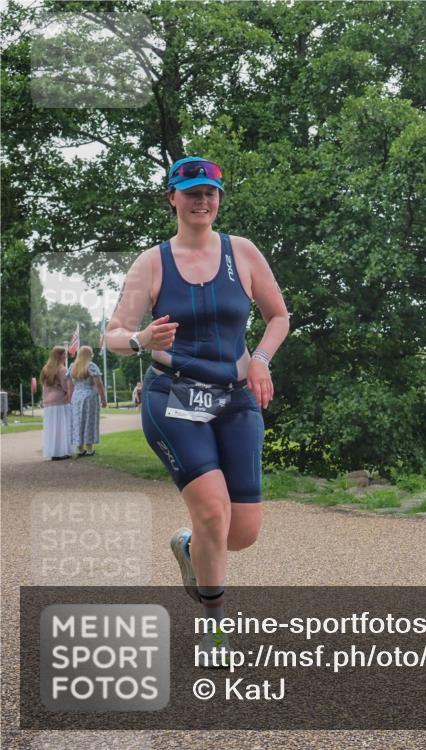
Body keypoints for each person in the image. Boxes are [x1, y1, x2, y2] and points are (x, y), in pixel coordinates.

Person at [104, 156, 289, 662]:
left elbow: (278, 316)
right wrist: (140, 339)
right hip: (174, 396)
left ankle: (190, 547)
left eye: (210, 192)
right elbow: (113, 335)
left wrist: (261, 360)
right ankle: (215, 631)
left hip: (236, 397)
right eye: (191, 192)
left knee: (241, 533)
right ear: (172, 198)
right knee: (212, 510)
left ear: (219, 199)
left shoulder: (242, 253)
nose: (201, 200)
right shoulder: (151, 262)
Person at [69, 345, 106, 457]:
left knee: (78, 422)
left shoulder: (73, 367)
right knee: (89, 421)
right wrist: (103, 399)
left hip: (76, 397)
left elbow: (70, 385)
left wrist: (71, 399)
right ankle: (89, 449)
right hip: (89, 397)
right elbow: (98, 384)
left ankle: (80, 448)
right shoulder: (91, 366)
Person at [40, 345, 74, 460]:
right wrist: (69, 396)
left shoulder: (46, 369)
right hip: (60, 401)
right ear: (59, 356)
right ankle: (62, 452)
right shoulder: (62, 369)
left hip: (48, 402)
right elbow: (66, 387)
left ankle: (54, 452)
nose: (65, 356)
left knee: (51, 429)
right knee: (62, 428)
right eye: (64, 354)